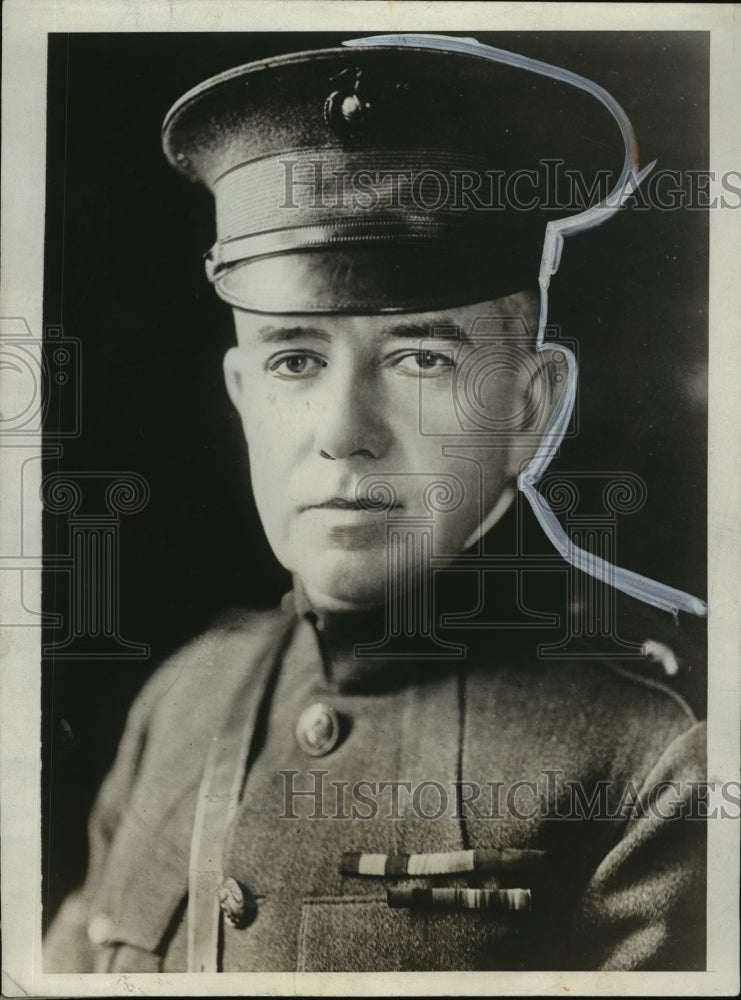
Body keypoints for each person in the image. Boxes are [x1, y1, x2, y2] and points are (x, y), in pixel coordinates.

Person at [43, 33, 707, 973]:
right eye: (294, 361)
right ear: (242, 395)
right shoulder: (184, 699)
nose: (342, 430)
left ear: (529, 406)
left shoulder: (664, 754)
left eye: (420, 359)